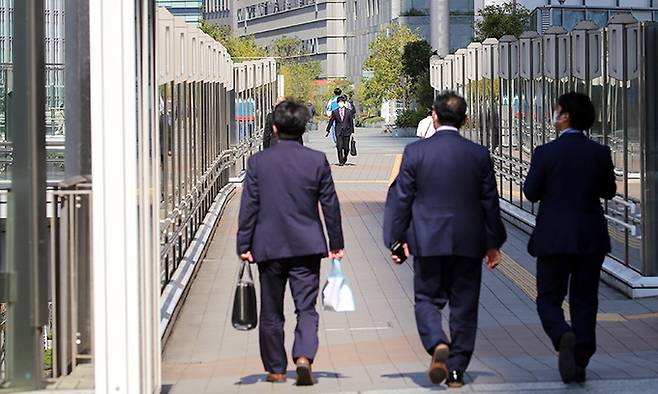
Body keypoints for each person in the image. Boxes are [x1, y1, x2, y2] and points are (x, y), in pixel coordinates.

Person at [384, 91, 507, 388]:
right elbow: (489, 202)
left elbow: (402, 201)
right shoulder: (478, 155)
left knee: (427, 299)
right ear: (465, 119)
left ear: (434, 117)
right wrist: (494, 243)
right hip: (469, 241)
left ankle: (437, 342)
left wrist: (396, 241)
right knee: (464, 306)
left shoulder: (415, 153)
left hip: (427, 239)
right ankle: (456, 371)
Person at [237, 100, 345, 386]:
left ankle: (275, 368)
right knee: (306, 307)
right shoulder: (316, 160)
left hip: (268, 248)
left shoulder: (258, 163)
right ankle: (304, 357)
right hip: (307, 246)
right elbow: (330, 205)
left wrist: (243, 244)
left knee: (271, 310)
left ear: (274, 127)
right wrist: (336, 244)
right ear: (303, 128)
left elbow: (249, 207)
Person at [523, 92, 616, 384]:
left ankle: (563, 335)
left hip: (553, 238)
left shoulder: (545, 153)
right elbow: (609, 191)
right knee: (585, 300)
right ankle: (581, 359)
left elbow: (531, 192)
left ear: (565, 116)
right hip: (590, 237)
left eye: (557, 110)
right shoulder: (600, 153)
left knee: (549, 299)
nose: (554, 114)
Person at [325, 96, 355, 166]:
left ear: (344, 103)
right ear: (338, 103)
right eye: (339, 102)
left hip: (347, 131)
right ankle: (341, 161)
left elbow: (351, 122)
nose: (340, 103)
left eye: (342, 102)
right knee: (339, 146)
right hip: (338, 131)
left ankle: (345, 158)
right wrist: (327, 130)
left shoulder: (348, 111)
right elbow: (331, 121)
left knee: (346, 148)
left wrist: (352, 131)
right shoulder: (335, 112)